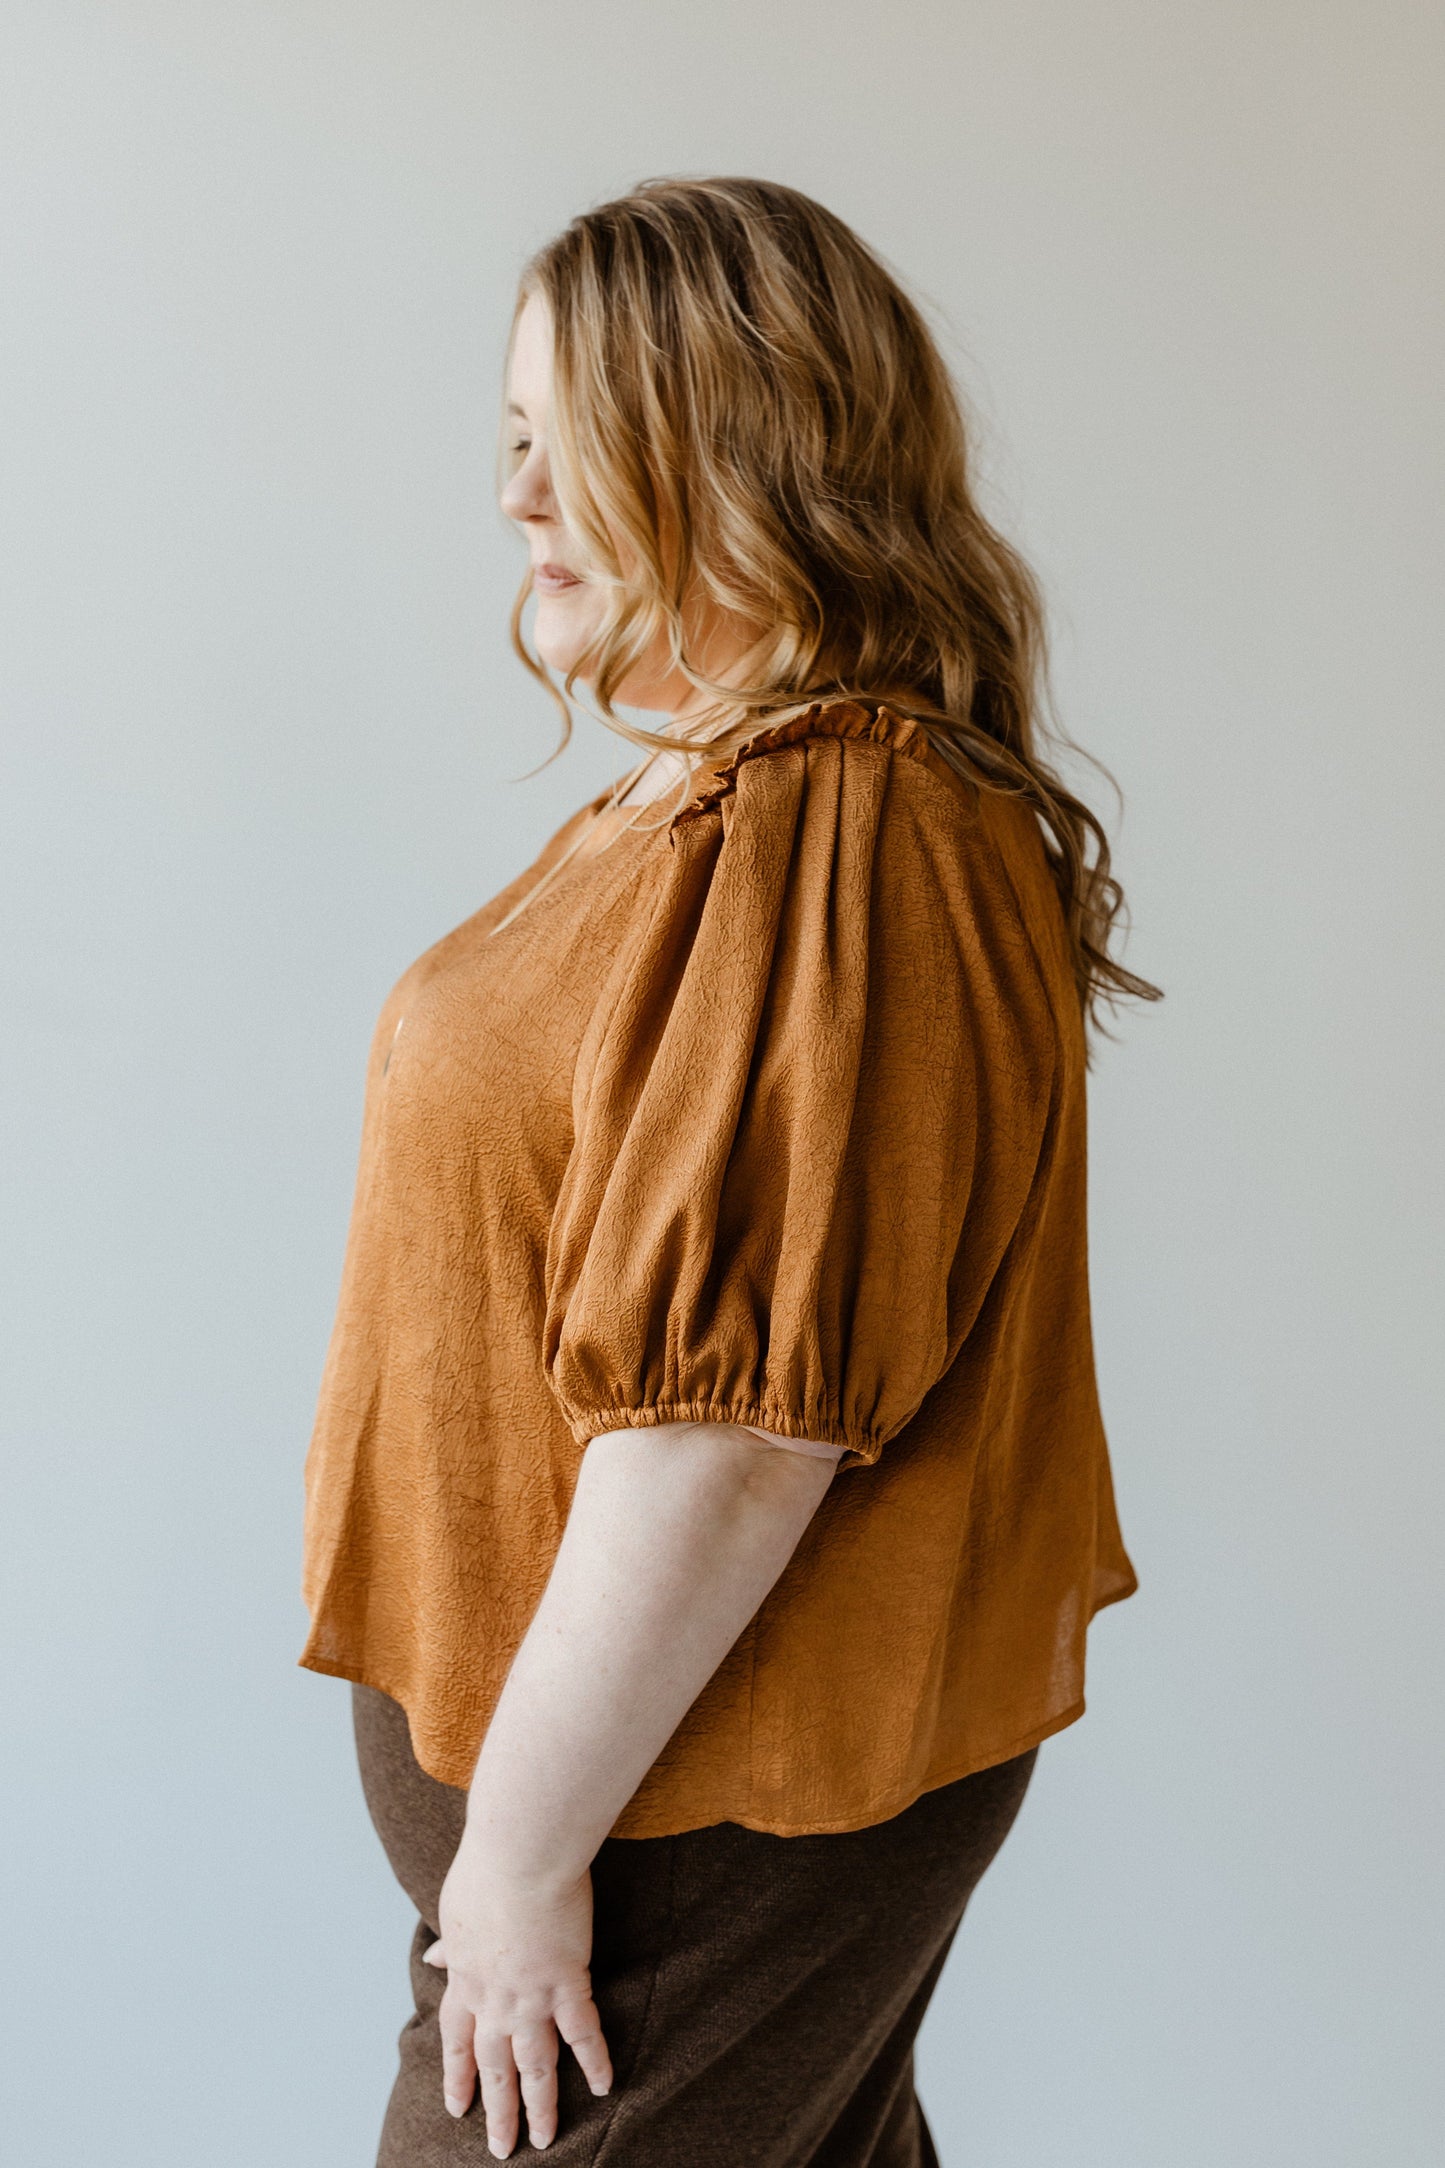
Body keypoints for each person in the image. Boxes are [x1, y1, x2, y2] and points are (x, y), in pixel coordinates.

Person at [299, 175, 1158, 2166]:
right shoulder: (720, 808)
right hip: (648, 1825)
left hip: (680, 1833)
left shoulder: (845, 825)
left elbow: (729, 1430)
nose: (518, 500)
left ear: (743, 446)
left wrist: (511, 1872)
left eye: (569, 445)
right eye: (511, 445)